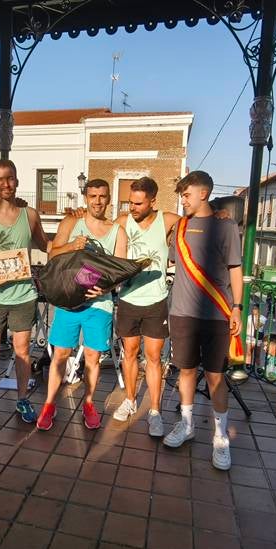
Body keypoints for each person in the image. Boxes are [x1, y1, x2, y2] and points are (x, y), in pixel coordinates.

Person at [163, 171, 243, 471]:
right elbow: (173, 257)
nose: (183, 201)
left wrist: (237, 308)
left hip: (216, 314)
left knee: (215, 377)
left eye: (187, 195)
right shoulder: (181, 226)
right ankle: (187, 425)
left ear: (203, 194)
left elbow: (235, 269)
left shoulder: (226, 226)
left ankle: (220, 437)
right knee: (185, 371)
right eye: (181, 195)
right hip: (182, 312)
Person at [37, 178, 127, 431]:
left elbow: (119, 270)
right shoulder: (71, 222)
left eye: (102, 196)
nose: (97, 201)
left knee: (92, 357)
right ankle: (49, 404)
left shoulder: (117, 231)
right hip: (69, 302)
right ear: (86, 198)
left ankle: (88, 403)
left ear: (108, 198)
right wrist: (71, 246)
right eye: (93, 196)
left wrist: (106, 288)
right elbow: (52, 254)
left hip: (99, 304)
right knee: (60, 354)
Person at [0, 159, 49, 434]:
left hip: (23, 294)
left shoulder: (30, 215)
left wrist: (73, 228)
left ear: (17, 180)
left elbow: (46, 245)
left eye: (10, 177)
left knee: (23, 351)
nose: (6, 183)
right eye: (0, 179)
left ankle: (22, 400)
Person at [109, 177, 180, 435]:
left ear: (153, 201)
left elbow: (196, 223)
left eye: (138, 203)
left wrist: (219, 216)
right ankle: (130, 400)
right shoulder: (122, 222)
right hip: (128, 299)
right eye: (130, 202)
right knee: (129, 353)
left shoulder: (168, 220)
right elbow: (98, 230)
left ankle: (155, 412)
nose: (132, 207)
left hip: (156, 301)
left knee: (153, 358)